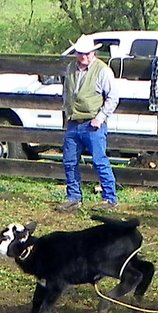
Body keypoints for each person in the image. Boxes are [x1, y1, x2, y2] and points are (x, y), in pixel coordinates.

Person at [60, 34, 120, 212]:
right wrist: (67, 113)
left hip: (93, 124)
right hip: (73, 121)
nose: (83, 56)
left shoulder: (102, 70)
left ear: (93, 52)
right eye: (80, 53)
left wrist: (100, 118)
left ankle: (110, 199)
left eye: (87, 53)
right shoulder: (70, 68)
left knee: (99, 161)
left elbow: (113, 97)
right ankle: (74, 198)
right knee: (69, 161)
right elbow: (66, 92)